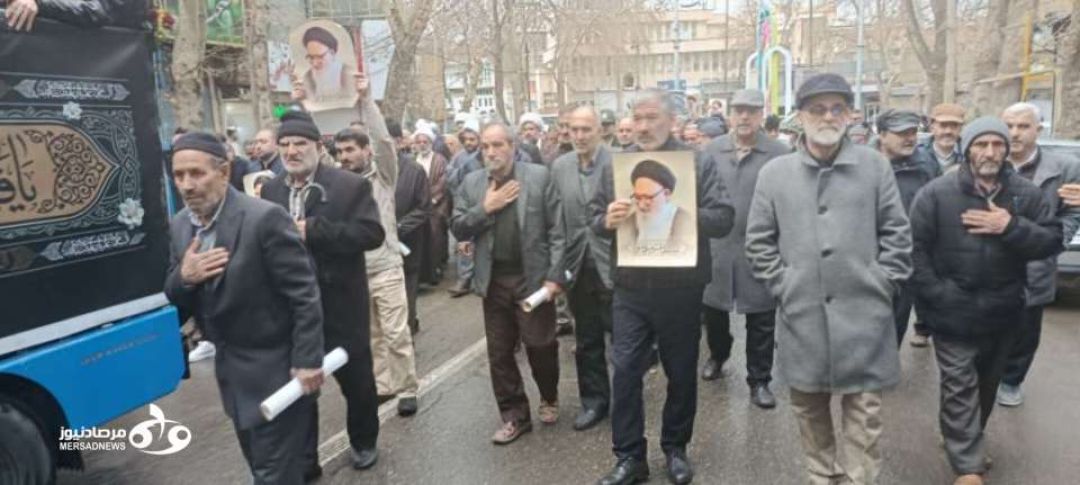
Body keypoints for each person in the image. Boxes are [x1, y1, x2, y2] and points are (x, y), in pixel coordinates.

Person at [745, 73, 912, 485]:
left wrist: (882, 281)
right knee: (809, 409)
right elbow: (759, 241)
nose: (828, 117)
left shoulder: (874, 166)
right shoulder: (775, 173)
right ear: (800, 116)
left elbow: (897, 233)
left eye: (837, 108)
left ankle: (859, 479)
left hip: (865, 313)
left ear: (851, 115)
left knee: (865, 413)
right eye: (817, 109)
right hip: (802, 314)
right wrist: (785, 285)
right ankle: (821, 475)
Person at [592, 89, 735, 485]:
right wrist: (606, 220)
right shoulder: (616, 167)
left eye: (651, 117)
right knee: (625, 372)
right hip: (631, 289)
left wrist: (683, 212)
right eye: (637, 118)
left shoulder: (698, 163)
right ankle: (629, 457)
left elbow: (724, 218)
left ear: (672, 121)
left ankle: (675, 448)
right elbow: (594, 220)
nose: (642, 126)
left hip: (681, 289)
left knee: (681, 372)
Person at [165, 132, 325, 484]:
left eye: (197, 173)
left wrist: (308, 360)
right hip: (233, 378)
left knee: (272, 475)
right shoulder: (179, 226)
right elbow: (173, 293)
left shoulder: (264, 219)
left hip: (277, 371)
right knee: (260, 466)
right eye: (179, 175)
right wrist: (185, 277)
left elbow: (304, 294)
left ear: (223, 172)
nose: (187, 185)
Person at [909, 116, 1062, 485]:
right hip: (952, 313)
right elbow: (914, 251)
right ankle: (968, 467)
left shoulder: (1026, 194)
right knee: (959, 384)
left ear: (1006, 150)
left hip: (1003, 312)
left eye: (997, 145)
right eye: (981, 144)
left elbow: (1051, 241)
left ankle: (964, 437)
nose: (989, 152)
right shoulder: (937, 193)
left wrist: (1011, 227)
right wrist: (938, 295)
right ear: (967, 149)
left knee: (986, 385)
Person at [259, 110, 387, 475]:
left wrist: (313, 230)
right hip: (293, 309)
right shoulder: (271, 190)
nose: (292, 151)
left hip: (341, 304)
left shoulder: (349, 186)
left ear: (318, 146)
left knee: (357, 382)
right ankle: (305, 459)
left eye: (300, 143)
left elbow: (371, 234)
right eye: (285, 144)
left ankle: (363, 441)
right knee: (300, 388)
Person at [450, 122, 567, 445]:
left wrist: (555, 276)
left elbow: (557, 231)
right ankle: (515, 416)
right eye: (485, 146)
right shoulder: (473, 183)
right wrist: (486, 208)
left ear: (512, 146)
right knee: (500, 353)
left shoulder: (538, 177)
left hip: (532, 278)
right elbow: (458, 226)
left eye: (498, 145)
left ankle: (549, 395)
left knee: (540, 346)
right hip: (493, 281)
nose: (491, 152)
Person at [333, 73, 421, 416]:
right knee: (372, 335)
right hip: (356, 272)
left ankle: (407, 388)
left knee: (396, 333)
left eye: (350, 150)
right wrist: (303, 102)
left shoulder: (383, 176)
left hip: (386, 267)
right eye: (340, 151)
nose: (344, 156)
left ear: (366, 151)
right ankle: (384, 385)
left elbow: (384, 140)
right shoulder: (337, 183)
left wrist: (367, 100)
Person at [700, 89, 790, 409]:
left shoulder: (779, 153)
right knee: (714, 311)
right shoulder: (711, 150)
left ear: (761, 115)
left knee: (761, 317)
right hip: (717, 247)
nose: (744, 116)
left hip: (761, 248)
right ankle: (718, 354)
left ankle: (760, 379)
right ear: (730, 115)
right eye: (738, 110)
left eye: (751, 111)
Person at [996, 103, 1080, 407]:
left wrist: (1052, 242)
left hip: (1035, 264)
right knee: (984, 323)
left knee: (1026, 329)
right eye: (1009, 125)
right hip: (991, 262)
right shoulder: (987, 159)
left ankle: (1011, 380)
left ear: (1038, 130)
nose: (1014, 133)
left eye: (1023, 126)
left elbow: (1071, 213)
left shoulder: (1065, 168)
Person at [551, 105, 615, 431]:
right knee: (587, 339)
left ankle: (627, 398)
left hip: (614, 265)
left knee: (624, 339)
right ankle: (594, 401)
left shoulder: (618, 162)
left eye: (586, 129)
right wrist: (556, 269)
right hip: (578, 266)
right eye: (573, 129)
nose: (578, 135)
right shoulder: (560, 166)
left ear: (600, 131)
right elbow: (556, 221)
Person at [873, 109, 937, 347]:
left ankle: (887, 364)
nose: (910, 138)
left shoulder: (925, 165)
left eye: (913, 132)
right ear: (882, 135)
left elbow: (936, 209)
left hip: (906, 262)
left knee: (895, 325)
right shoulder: (860, 163)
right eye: (902, 133)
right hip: (865, 262)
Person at [617, 159, 695, 257]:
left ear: (666, 194)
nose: (641, 205)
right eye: (637, 197)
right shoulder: (629, 222)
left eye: (648, 198)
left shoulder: (683, 221)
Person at [447, 121, 483, 297]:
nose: (468, 142)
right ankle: (464, 277)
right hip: (463, 204)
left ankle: (480, 278)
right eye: (466, 139)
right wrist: (463, 169)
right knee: (464, 243)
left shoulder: (483, 155)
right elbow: (450, 178)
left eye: (472, 139)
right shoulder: (458, 157)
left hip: (482, 205)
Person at [413, 126, 451, 286]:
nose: (422, 144)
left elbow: (443, 182)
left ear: (430, 143)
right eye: (419, 142)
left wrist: (431, 200)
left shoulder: (439, 159)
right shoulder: (413, 160)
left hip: (436, 206)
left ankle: (436, 269)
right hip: (418, 206)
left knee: (436, 237)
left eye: (425, 141)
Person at [301, 26, 355, 103]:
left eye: (320, 57)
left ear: (332, 53)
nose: (315, 63)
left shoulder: (348, 74)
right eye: (311, 57)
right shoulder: (307, 77)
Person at [916, 103, 966, 174]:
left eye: (954, 126)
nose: (948, 131)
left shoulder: (968, 154)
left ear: (961, 129)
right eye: (943, 125)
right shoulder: (917, 153)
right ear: (932, 127)